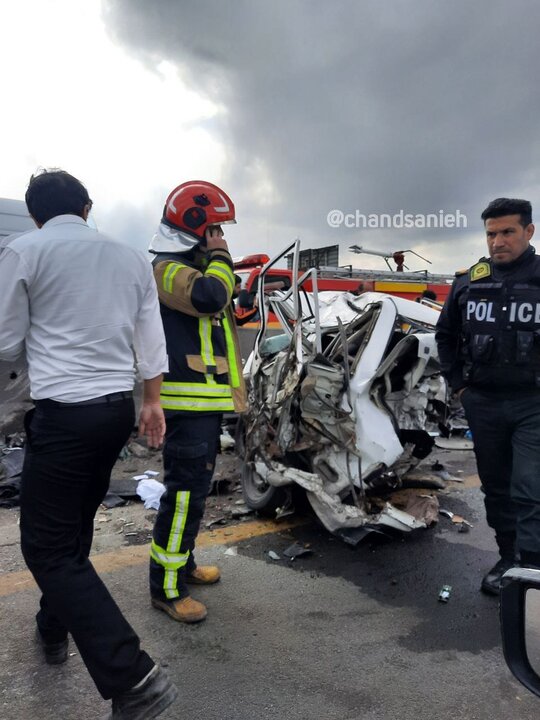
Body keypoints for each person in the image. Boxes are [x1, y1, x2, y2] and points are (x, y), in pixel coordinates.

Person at [0, 170, 177, 719]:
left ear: (34, 214)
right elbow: (151, 340)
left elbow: (6, 341)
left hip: (62, 417)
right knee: (71, 530)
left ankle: (134, 678)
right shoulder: (128, 258)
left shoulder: (24, 251)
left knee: (46, 547)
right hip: (112, 415)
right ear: (87, 206)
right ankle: (53, 630)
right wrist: (152, 402)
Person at [148, 180, 247, 623]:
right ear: (197, 225)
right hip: (186, 404)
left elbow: (221, 303)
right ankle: (166, 589)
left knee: (195, 494)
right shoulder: (167, 268)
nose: (221, 236)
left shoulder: (197, 267)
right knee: (183, 497)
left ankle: (182, 565)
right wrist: (223, 258)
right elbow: (209, 297)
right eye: (216, 229)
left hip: (203, 402)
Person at [435, 197, 540, 595]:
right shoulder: (469, 281)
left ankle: (530, 570)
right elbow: (445, 336)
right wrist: (459, 385)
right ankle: (508, 557)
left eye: (508, 232)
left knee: (529, 487)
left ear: (528, 232)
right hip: (484, 404)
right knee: (496, 487)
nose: (498, 241)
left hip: (533, 403)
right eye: (492, 233)